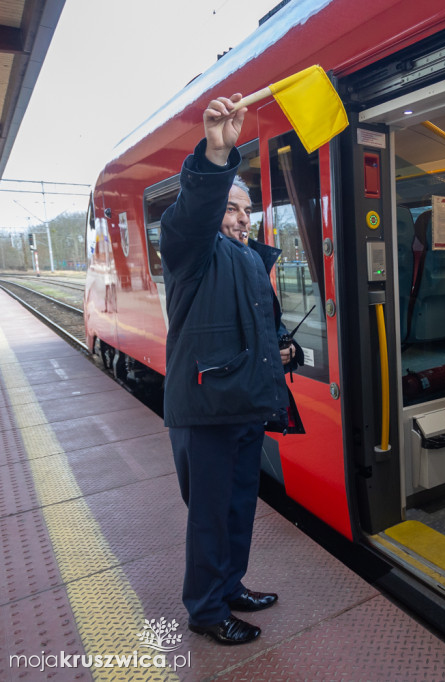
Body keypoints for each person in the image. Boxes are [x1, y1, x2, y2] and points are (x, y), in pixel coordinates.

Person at [160, 93, 302, 645]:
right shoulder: (193, 253)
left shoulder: (250, 259)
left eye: (247, 211)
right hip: (207, 407)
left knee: (240, 504)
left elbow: (259, 327)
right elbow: (193, 213)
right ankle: (205, 608)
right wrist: (218, 157)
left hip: (244, 403)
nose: (242, 219)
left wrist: (286, 351)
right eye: (232, 209)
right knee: (210, 516)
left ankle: (231, 584)